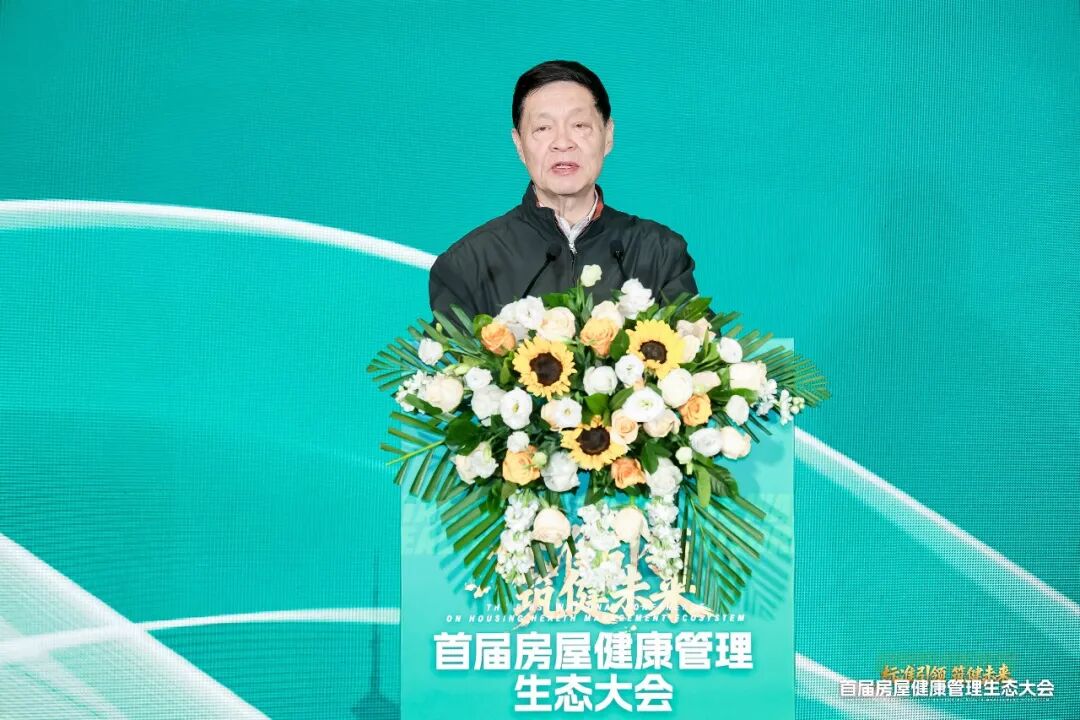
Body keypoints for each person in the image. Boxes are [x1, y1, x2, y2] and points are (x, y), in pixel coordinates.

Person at [428, 59, 700, 324]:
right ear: (519, 144)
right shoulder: (468, 264)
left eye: (579, 125)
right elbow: (452, 355)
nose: (562, 143)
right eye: (543, 128)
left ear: (608, 135)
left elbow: (700, 349)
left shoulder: (660, 252)